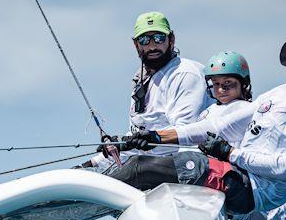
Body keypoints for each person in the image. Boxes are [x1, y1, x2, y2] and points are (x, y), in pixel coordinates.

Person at [120, 31, 286, 216]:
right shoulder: (281, 92)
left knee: (141, 168)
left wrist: (230, 153)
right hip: (231, 172)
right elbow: (218, 127)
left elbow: (284, 167)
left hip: (251, 191)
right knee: (144, 164)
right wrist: (156, 136)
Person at [86, 11, 211, 170]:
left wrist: (137, 143)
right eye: (144, 40)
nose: (152, 46)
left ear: (171, 39)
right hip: (151, 168)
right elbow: (138, 137)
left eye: (159, 38)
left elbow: (186, 136)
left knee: (134, 169)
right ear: (136, 44)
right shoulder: (141, 78)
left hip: (189, 169)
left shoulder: (184, 73)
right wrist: (94, 163)